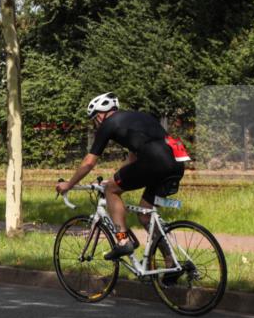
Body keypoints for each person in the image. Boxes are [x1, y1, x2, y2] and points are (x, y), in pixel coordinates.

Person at [55, 93, 185, 260]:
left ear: (100, 115)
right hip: (176, 163)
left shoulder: (108, 124)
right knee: (145, 215)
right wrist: (113, 178)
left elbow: (89, 162)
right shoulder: (137, 118)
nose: (96, 124)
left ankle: (122, 241)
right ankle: (171, 262)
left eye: (94, 119)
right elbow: (133, 158)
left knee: (111, 190)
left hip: (154, 162)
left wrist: (69, 184)